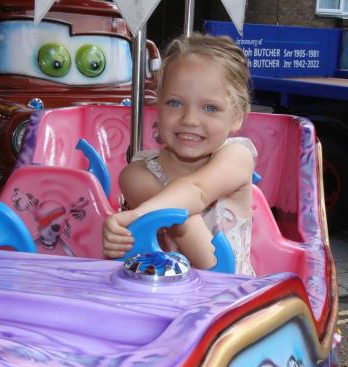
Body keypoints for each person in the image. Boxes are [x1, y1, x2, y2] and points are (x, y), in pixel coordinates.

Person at [103, 33, 257, 276]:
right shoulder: (139, 174)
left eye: (210, 108)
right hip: (165, 297)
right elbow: (181, 215)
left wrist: (139, 214)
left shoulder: (237, 156)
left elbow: (216, 266)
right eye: (175, 103)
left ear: (237, 116)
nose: (190, 120)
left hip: (232, 299)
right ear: (158, 105)